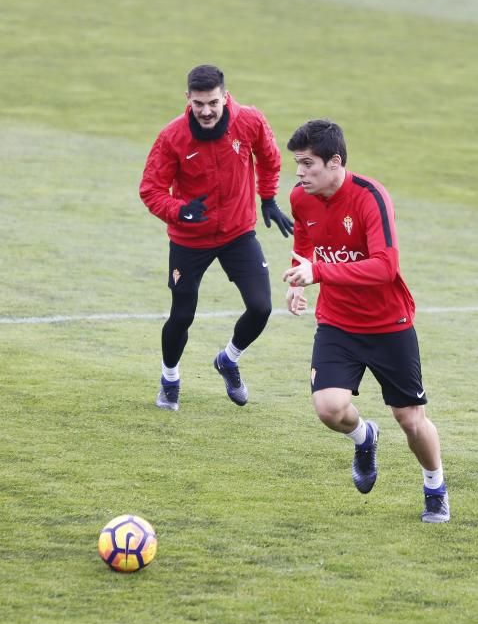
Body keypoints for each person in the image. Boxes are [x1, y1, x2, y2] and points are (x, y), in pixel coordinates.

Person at [282, 119, 449, 523]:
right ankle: (364, 436)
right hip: (338, 322)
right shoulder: (300, 198)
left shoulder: (370, 197)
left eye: (307, 164)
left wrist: (318, 273)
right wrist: (298, 278)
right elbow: (305, 240)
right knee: (329, 408)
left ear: (335, 161)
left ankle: (435, 485)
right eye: (297, 165)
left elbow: (385, 267)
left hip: (389, 323)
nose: (300, 173)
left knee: (410, 419)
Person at [140, 64, 292, 411]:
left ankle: (228, 359)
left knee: (261, 307)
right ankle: (170, 379)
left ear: (225, 97)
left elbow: (269, 158)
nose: (206, 111)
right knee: (182, 316)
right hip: (190, 239)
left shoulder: (249, 121)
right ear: (188, 100)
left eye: (213, 102)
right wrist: (180, 211)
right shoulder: (173, 137)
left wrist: (268, 198)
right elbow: (150, 189)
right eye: (198, 104)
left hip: (238, 233)